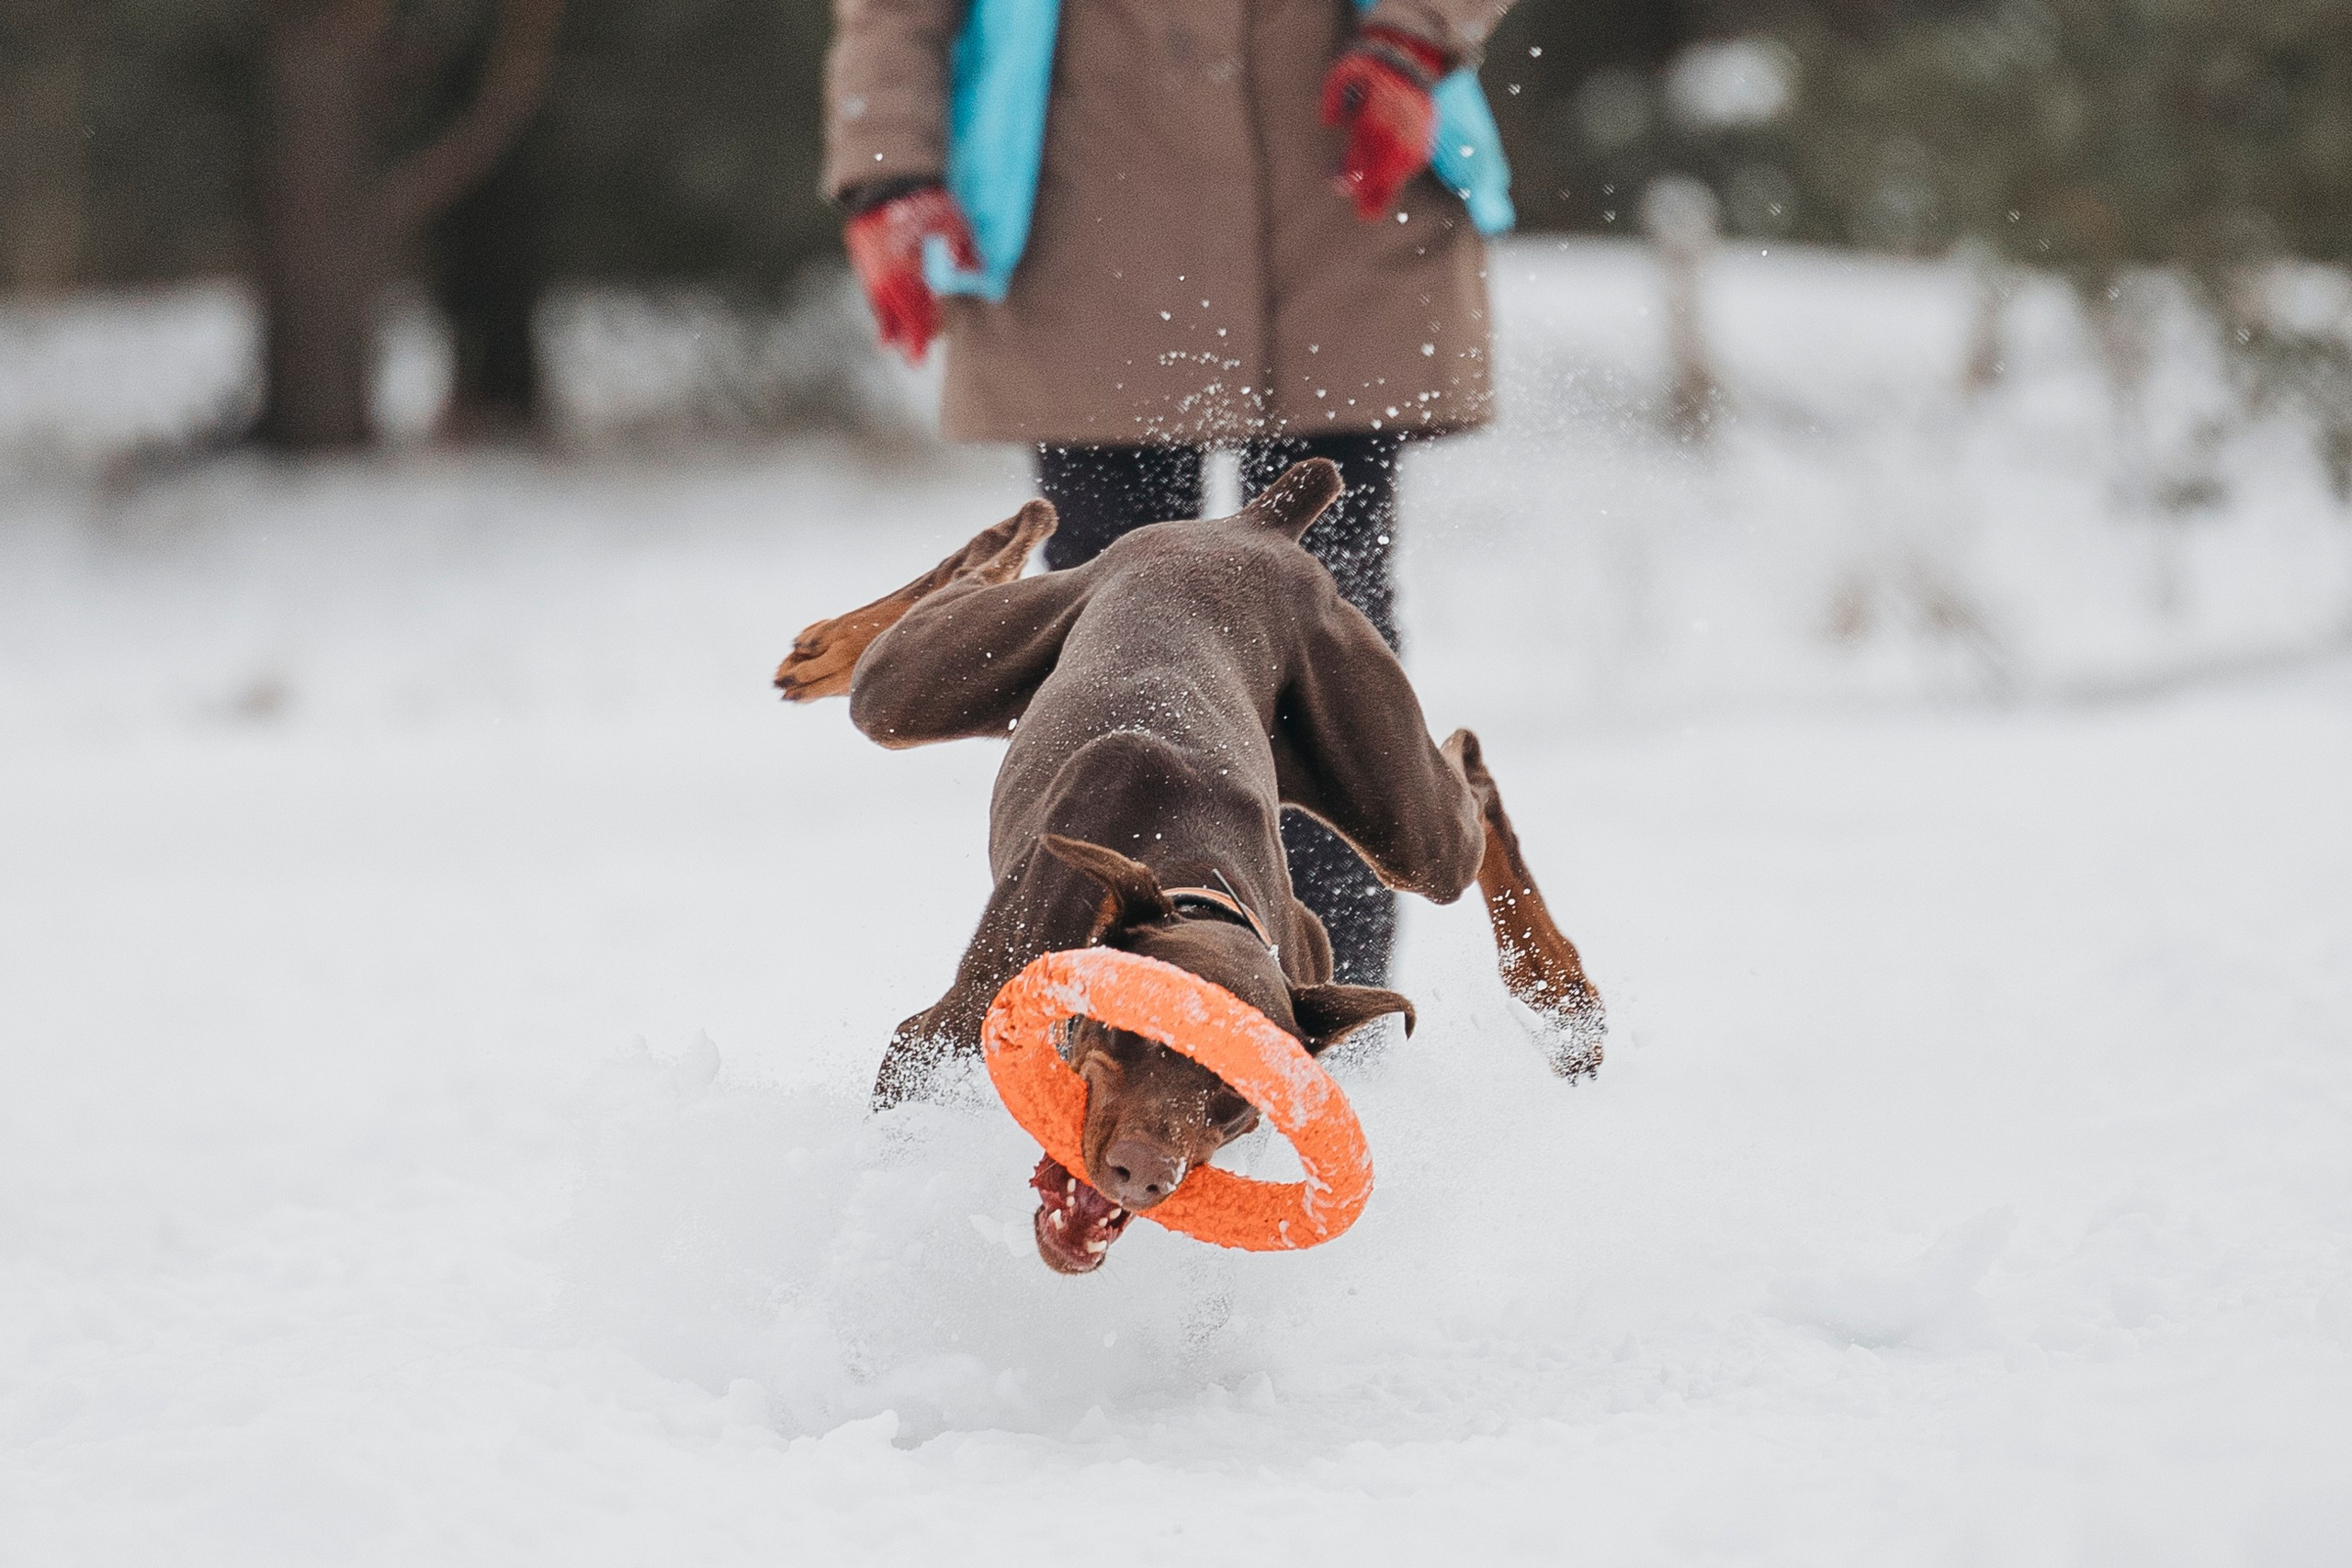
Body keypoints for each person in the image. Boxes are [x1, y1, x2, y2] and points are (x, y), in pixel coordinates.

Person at [823, 0, 1519, 987]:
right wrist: (888, 169)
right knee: (1113, 650)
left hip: (1340, 179)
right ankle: (1123, 994)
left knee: (1332, 635)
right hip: (1081, 200)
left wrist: (1414, 35)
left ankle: (1324, 1015)